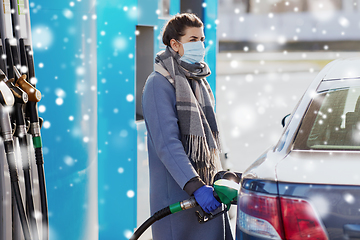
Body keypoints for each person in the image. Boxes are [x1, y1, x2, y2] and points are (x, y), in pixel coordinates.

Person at [142, 13, 233, 240]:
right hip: (179, 195)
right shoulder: (158, 84)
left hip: (207, 194)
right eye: (193, 40)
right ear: (175, 44)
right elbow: (168, 144)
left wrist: (222, 175)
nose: (200, 45)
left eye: (202, 39)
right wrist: (196, 187)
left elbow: (210, 138)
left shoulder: (197, 80)